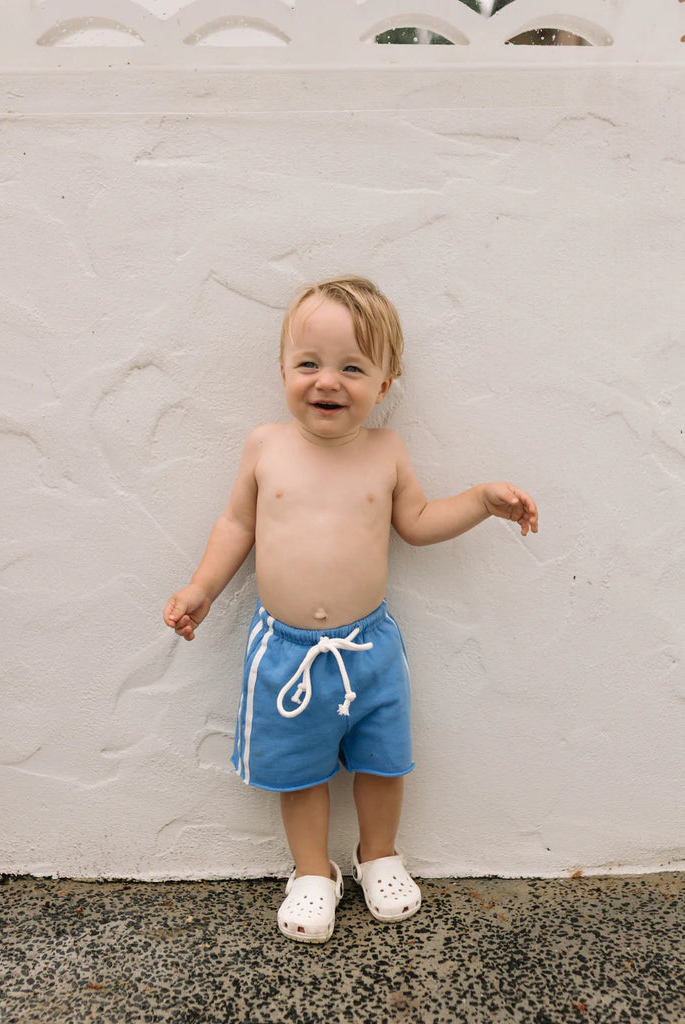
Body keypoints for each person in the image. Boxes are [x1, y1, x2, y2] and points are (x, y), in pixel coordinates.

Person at [163, 276, 538, 943]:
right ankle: (312, 871)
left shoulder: (385, 453)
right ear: (282, 368)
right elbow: (235, 525)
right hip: (284, 650)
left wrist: (480, 500)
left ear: (384, 384)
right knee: (298, 767)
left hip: (370, 649)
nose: (326, 381)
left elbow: (417, 523)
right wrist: (200, 589)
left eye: (351, 367)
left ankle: (377, 855)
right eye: (308, 363)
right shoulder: (265, 446)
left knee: (381, 759)